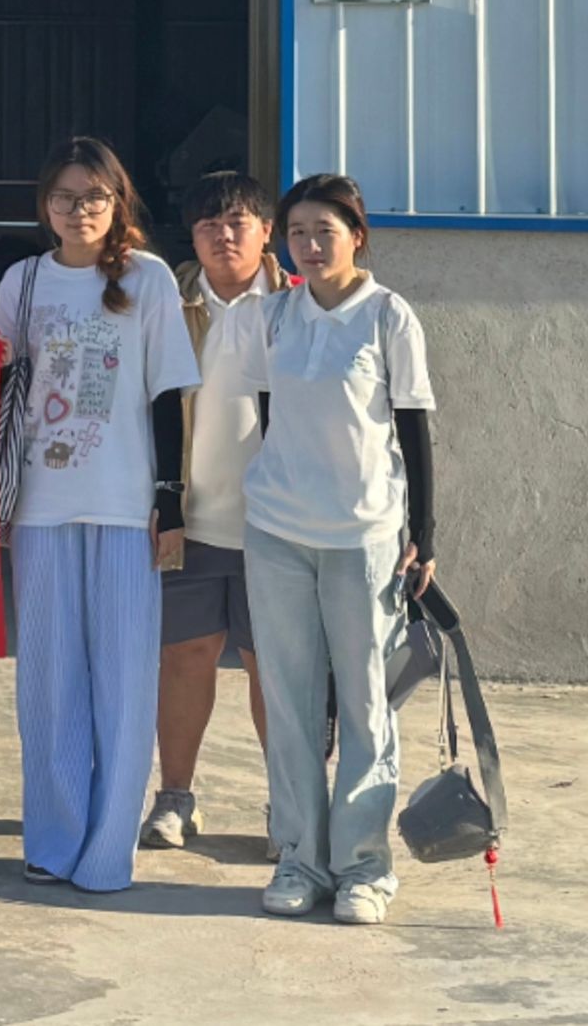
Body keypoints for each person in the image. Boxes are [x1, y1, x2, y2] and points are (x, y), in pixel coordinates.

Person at [0, 136, 199, 893]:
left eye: (94, 197)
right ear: (44, 205)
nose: (78, 210)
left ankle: (109, 850)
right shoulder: (21, 281)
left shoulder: (146, 278)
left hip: (123, 507)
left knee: (123, 681)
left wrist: (168, 496)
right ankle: (53, 842)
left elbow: (167, 391)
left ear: (118, 202)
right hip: (41, 507)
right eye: (64, 197)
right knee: (48, 682)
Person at [243, 174, 435, 927]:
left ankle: (363, 866)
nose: (309, 245)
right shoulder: (274, 315)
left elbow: (414, 427)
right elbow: (269, 414)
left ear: (357, 236)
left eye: (324, 230)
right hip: (278, 532)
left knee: (365, 703)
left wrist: (425, 535)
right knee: (289, 703)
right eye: (296, 232)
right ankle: (300, 857)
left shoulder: (388, 315)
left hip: (364, 537)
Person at [140, 172, 288, 854]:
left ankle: (289, 804)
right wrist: (159, 496)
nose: (223, 236)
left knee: (273, 667)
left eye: (237, 222)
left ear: (266, 231)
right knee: (185, 656)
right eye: (208, 224)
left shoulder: (296, 305)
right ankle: (175, 796)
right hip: (190, 517)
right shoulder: (167, 303)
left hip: (279, 523)